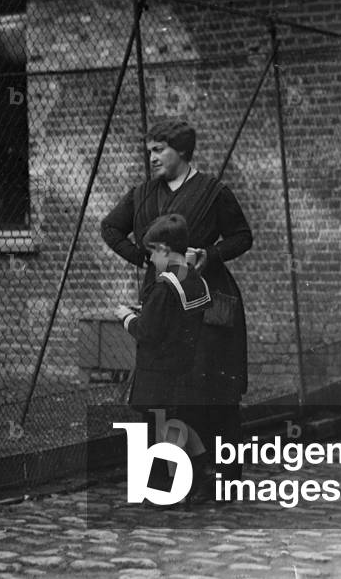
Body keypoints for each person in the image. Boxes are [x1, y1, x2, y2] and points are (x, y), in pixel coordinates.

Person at [102, 118, 253, 479]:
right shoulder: (142, 194)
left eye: (159, 150)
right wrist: (142, 257)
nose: (151, 158)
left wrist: (210, 254)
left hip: (205, 301)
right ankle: (175, 476)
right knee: (163, 390)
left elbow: (242, 237)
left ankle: (223, 476)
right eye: (149, 150)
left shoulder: (213, 192)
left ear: (182, 151)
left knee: (210, 388)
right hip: (161, 300)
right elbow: (110, 228)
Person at [113, 213, 212, 500]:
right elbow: (175, 318)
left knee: (156, 429)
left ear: (165, 250)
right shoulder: (192, 279)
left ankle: (159, 490)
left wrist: (128, 317)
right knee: (175, 425)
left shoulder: (163, 285)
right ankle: (201, 468)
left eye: (152, 252)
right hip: (184, 368)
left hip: (157, 372)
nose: (151, 260)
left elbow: (148, 331)